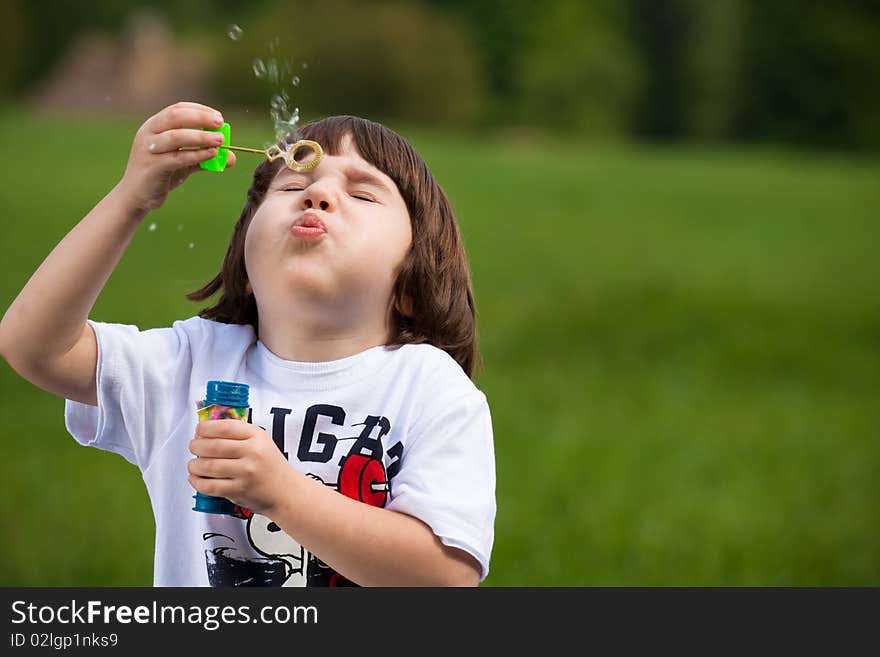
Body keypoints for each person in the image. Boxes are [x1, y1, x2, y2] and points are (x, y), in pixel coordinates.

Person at [0, 101, 495, 587]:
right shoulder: (191, 364)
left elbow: (445, 578)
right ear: (248, 268)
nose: (317, 194)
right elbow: (34, 347)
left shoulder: (431, 390)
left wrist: (283, 495)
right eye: (294, 184)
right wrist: (133, 198)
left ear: (412, 285)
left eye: (363, 195)